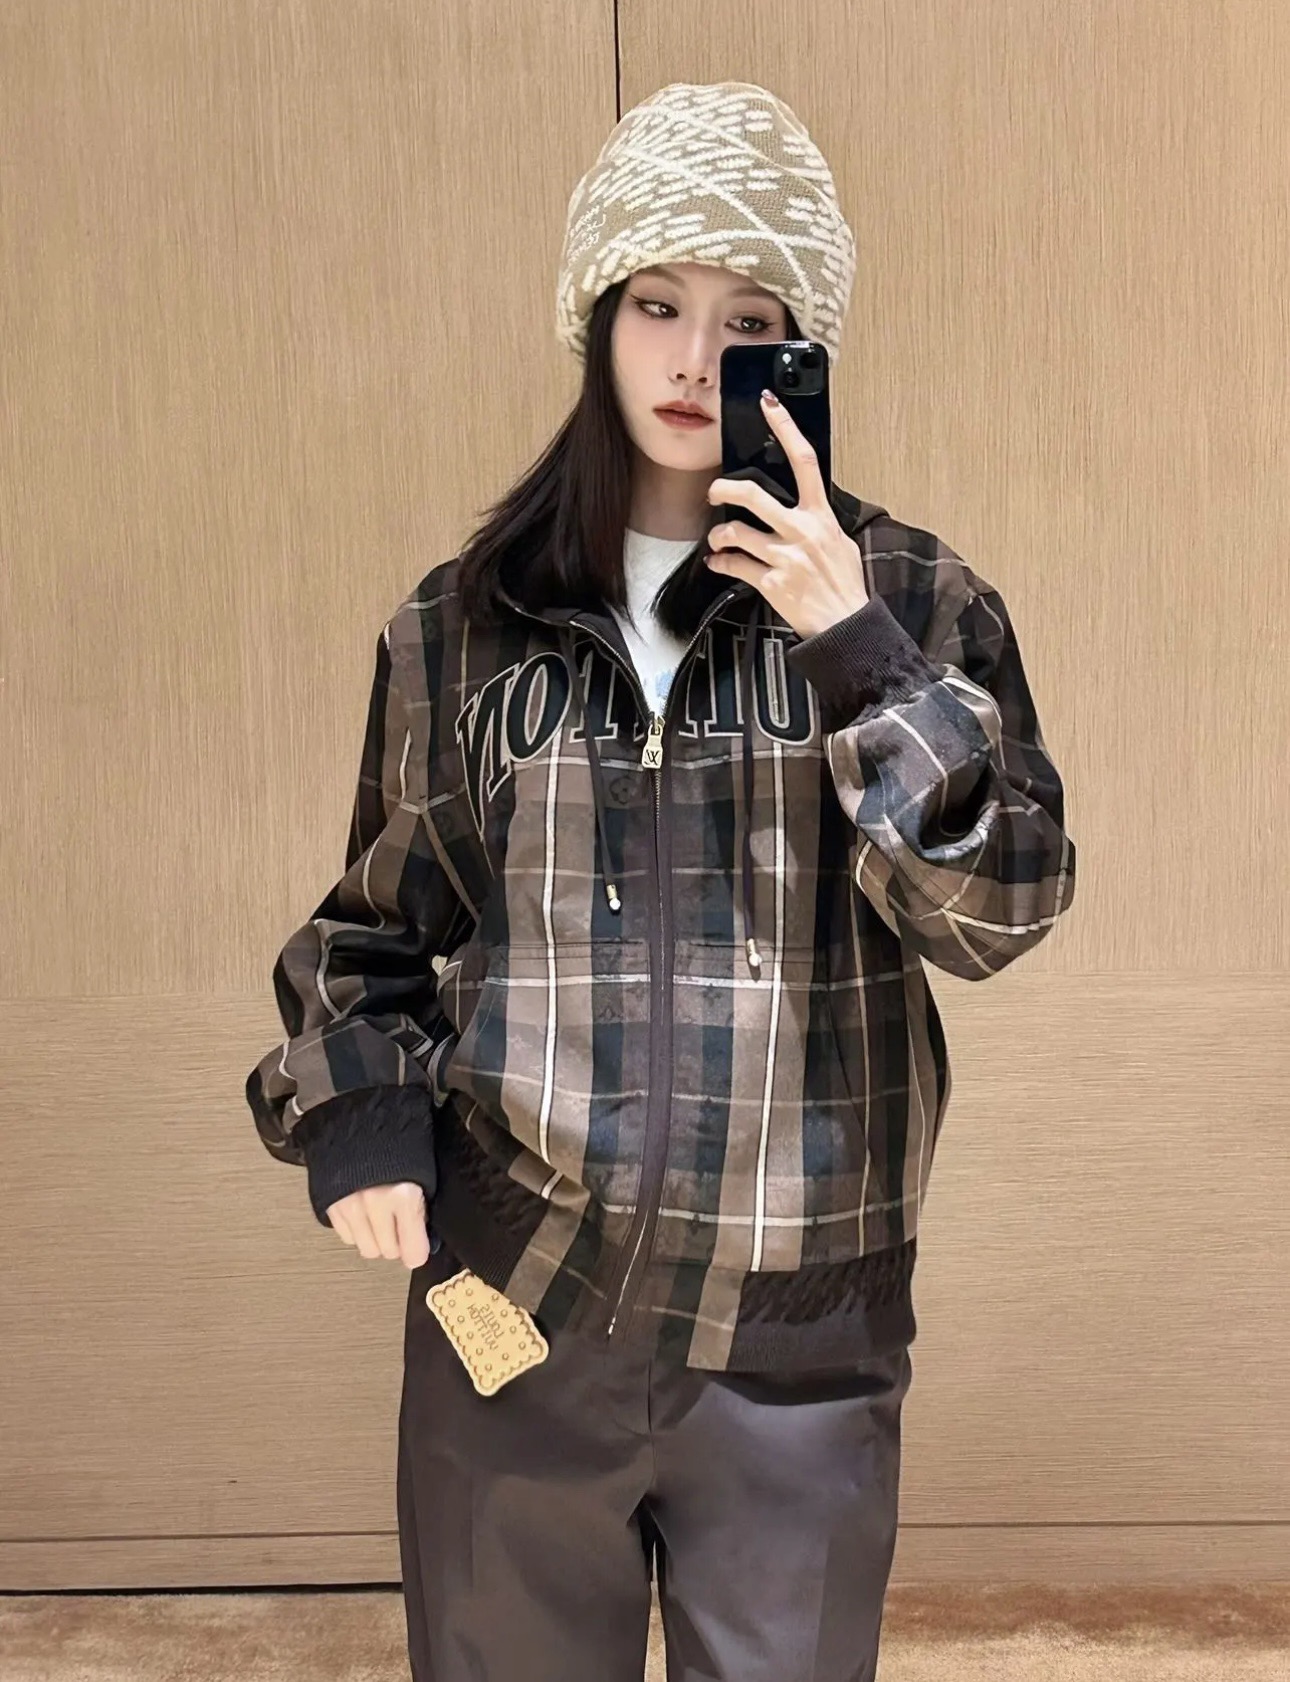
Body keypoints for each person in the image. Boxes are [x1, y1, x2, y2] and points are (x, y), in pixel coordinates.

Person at [245, 80, 1077, 1682]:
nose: (697, 359)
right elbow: (374, 932)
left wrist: (855, 648)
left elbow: (1003, 906)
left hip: (798, 1319)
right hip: (514, 1298)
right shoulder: (459, 623)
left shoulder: (911, 596)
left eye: (749, 320)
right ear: (596, 320)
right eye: (658, 304)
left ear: (802, 351)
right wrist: (358, 1117)